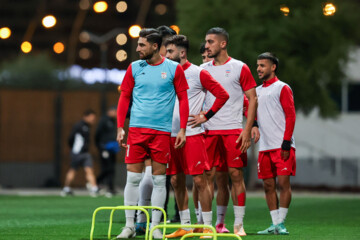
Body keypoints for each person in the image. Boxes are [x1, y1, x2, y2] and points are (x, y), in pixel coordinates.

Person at [116, 28, 189, 239]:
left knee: (159, 181)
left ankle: (155, 227)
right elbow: (124, 98)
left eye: (142, 45)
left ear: (155, 46)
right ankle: (129, 226)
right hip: (137, 131)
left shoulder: (174, 68)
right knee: (133, 178)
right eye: (138, 44)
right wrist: (121, 127)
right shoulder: (134, 68)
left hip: (161, 133)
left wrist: (182, 129)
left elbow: (183, 100)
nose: (138, 49)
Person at [164, 35, 229, 238]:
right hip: (170, 135)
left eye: (170, 52)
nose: (166, 55)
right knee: (176, 180)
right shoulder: (166, 73)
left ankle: (207, 228)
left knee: (200, 181)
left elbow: (222, 95)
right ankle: (185, 225)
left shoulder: (197, 73)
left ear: (182, 53)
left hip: (192, 134)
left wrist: (205, 116)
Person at [194, 27, 258, 236]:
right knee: (207, 177)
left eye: (211, 41)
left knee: (235, 175)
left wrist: (247, 129)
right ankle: (208, 226)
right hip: (208, 131)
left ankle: (239, 225)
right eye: (206, 41)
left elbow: (252, 98)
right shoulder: (202, 69)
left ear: (223, 44)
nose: (207, 46)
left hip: (233, 130)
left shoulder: (240, 67)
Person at [134, 26, 179, 235]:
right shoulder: (146, 66)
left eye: (172, 48)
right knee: (151, 174)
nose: (168, 51)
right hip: (157, 127)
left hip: (178, 129)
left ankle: (179, 217)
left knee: (178, 177)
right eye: (166, 47)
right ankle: (142, 218)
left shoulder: (182, 69)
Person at [254, 52, 296, 235]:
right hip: (264, 146)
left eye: (263, 65)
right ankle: (274, 224)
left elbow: (291, 116)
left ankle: (281, 223)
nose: (258, 69)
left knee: (283, 183)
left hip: (282, 146)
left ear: (273, 67)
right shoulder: (256, 91)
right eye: (257, 65)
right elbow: (251, 114)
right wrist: (254, 124)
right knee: (268, 186)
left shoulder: (282, 87)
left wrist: (286, 142)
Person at [61, 109, 99, 197]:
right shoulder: (78, 126)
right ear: (86, 116)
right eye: (91, 118)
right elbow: (70, 139)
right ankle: (66, 188)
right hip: (77, 153)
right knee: (73, 170)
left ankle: (94, 188)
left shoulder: (88, 127)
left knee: (89, 170)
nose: (93, 120)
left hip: (86, 153)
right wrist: (74, 149)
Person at [95, 106, 119, 197]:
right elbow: (97, 135)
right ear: (110, 111)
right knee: (107, 168)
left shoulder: (113, 121)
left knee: (112, 168)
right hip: (105, 148)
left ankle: (111, 188)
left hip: (112, 149)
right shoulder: (104, 120)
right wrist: (101, 147)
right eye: (115, 112)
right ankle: (96, 182)